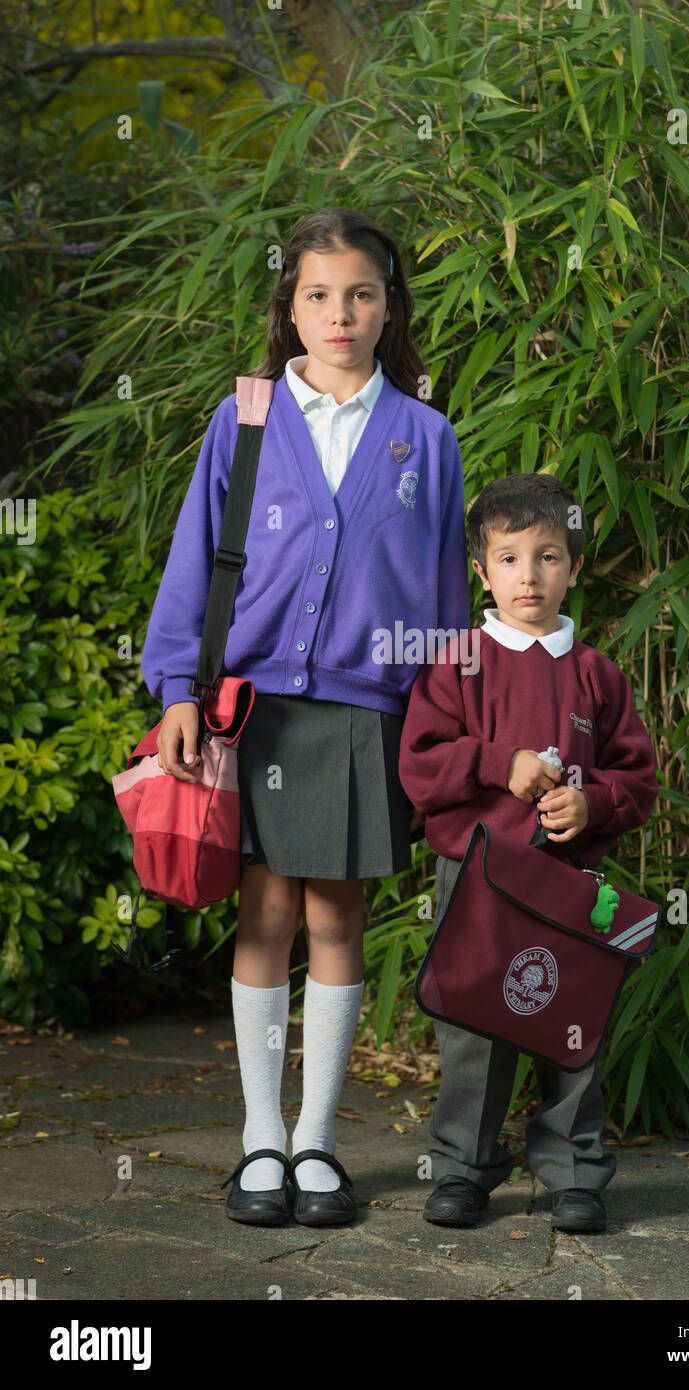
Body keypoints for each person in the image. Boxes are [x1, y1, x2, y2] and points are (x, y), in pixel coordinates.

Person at [140, 207, 469, 1228]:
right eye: (318, 294)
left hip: (369, 709)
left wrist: (445, 721)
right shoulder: (243, 415)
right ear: (289, 307)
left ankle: (318, 1140)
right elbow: (196, 557)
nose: (340, 313)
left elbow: (444, 598)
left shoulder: (426, 433)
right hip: (257, 710)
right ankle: (259, 1142)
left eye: (362, 294)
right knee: (267, 916)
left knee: (337, 917)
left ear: (388, 308)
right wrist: (179, 691)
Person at [398, 473, 658, 1233]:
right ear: (482, 571)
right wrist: (494, 764)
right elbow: (419, 764)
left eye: (547, 557)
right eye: (509, 558)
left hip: (568, 881)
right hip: (476, 879)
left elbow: (636, 779)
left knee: (571, 1027)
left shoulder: (597, 674)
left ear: (574, 567)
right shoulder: (456, 661)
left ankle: (574, 1173)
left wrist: (593, 802)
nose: (528, 576)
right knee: (473, 1030)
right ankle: (463, 1170)